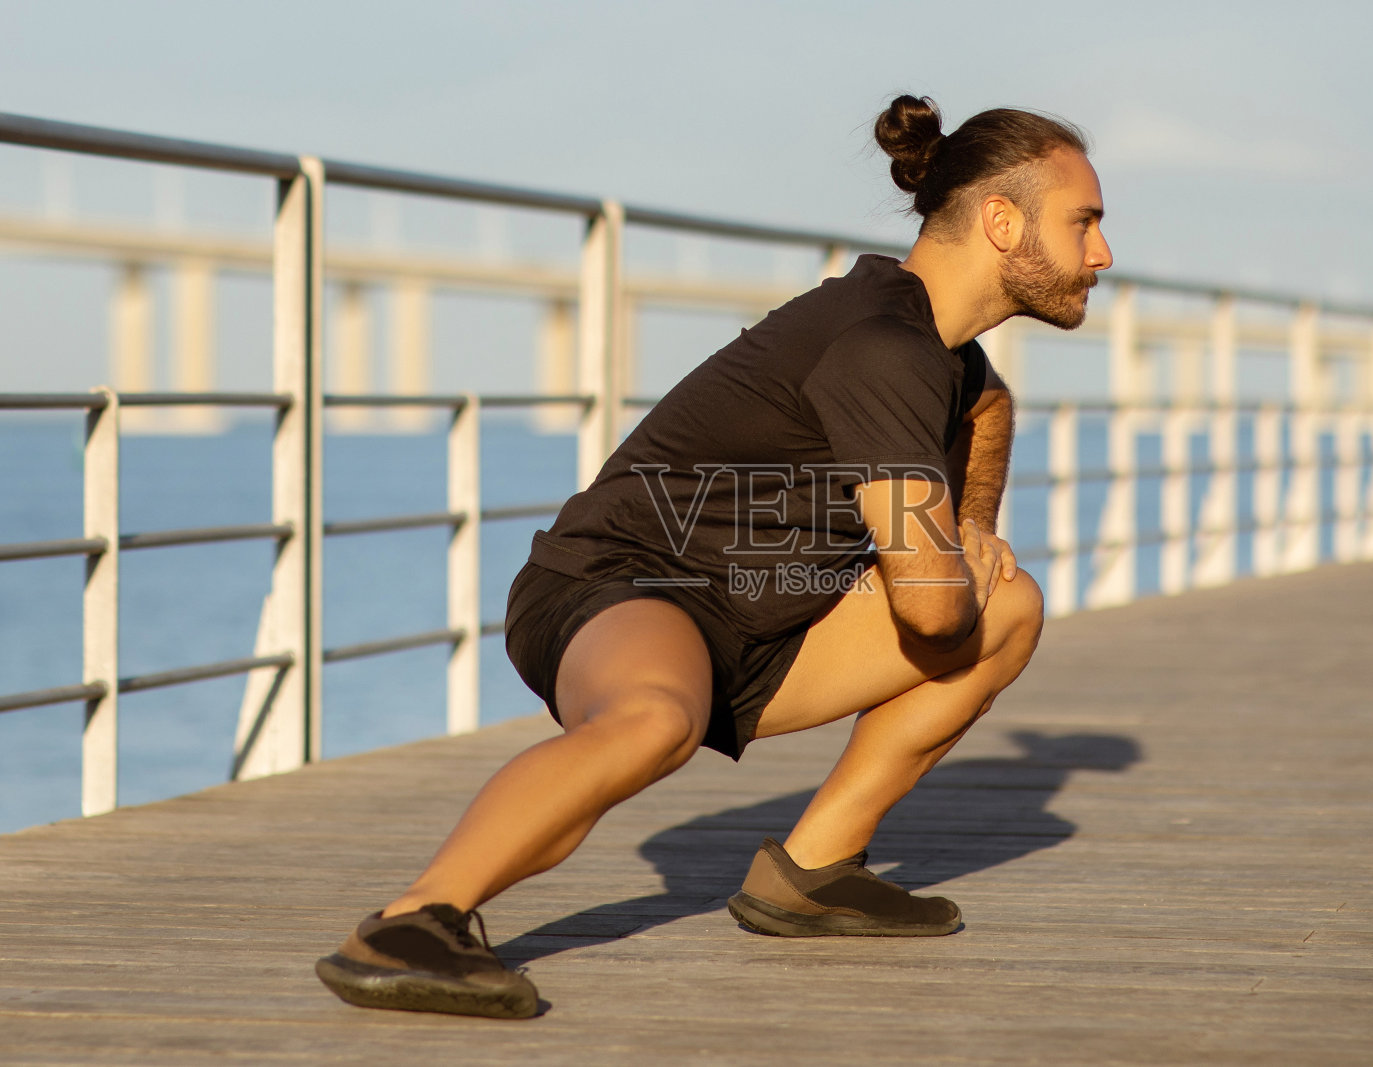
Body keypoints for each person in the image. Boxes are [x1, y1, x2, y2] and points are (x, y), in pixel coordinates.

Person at [314, 93, 1112, 1019]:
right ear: (1002, 221)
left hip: (762, 624)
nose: (1101, 253)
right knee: (656, 718)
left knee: (1007, 606)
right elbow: (931, 609)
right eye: (1084, 221)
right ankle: (411, 922)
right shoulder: (882, 345)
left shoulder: (936, 344)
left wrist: (971, 525)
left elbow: (986, 403)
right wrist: (950, 561)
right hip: (622, 586)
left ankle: (812, 872)